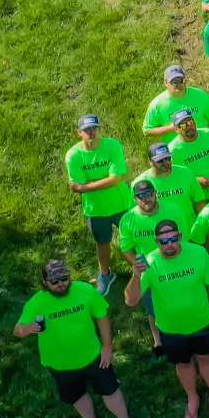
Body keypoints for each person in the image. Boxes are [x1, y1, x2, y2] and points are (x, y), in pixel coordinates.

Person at [15, 258, 139, 418]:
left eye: (64, 279)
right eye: (54, 282)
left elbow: (102, 317)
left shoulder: (85, 291)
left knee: (111, 391)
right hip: (60, 364)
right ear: (45, 283)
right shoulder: (36, 303)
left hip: (93, 357)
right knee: (77, 396)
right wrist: (26, 329)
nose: (60, 285)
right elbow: (18, 330)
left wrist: (107, 347)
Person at [137, 219, 209, 418]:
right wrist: (136, 275)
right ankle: (193, 397)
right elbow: (130, 300)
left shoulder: (198, 253)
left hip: (203, 322)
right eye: (164, 241)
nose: (169, 244)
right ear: (156, 241)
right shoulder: (150, 262)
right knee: (183, 363)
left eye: (173, 239)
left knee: (207, 358)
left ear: (180, 236)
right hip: (171, 329)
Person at [65, 114, 129, 296]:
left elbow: (116, 179)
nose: (92, 132)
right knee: (102, 242)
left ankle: (143, 269)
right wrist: (103, 180)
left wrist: (87, 186)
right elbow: (76, 187)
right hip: (95, 210)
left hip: (122, 204)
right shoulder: (73, 155)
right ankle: (105, 274)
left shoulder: (113, 145)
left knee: (134, 237)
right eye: (87, 130)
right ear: (79, 133)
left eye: (94, 128)